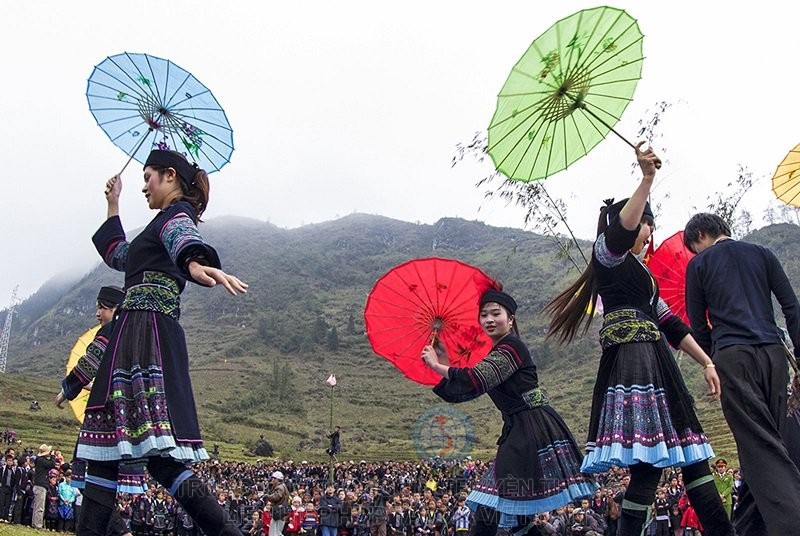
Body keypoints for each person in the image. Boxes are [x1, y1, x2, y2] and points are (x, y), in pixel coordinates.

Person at [545, 143, 734, 536]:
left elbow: (672, 326)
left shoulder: (643, 279)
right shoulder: (608, 256)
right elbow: (621, 232)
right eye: (647, 223)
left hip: (658, 365)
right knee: (650, 467)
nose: (649, 231)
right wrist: (646, 179)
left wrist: (707, 362)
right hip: (633, 364)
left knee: (684, 462)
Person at [75, 150, 248, 536]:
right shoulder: (155, 226)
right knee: (109, 451)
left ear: (170, 176)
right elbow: (121, 255)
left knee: (157, 457)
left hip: (145, 336)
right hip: (132, 334)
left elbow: (183, 239)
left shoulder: (174, 217)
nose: (143, 185)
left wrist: (195, 263)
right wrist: (113, 203)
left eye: (148, 176)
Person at [422, 288, 595, 536]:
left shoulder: (511, 347)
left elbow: (477, 378)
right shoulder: (499, 352)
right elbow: (466, 390)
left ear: (511, 318)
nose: (489, 320)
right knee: (516, 513)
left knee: (489, 507)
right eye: (484, 315)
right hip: (520, 431)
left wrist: (438, 366)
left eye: (496, 313)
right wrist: (444, 362)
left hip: (530, 430)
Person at [684, 211, 800, 535]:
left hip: (734, 359)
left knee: (761, 446)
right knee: (766, 442)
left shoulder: (699, 265)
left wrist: (711, 361)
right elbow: (791, 306)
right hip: (774, 355)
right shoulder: (763, 254)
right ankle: (748, 528)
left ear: (701, 235)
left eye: (695, 247)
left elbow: (697, 324)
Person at [32, 444, 56, 529]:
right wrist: (53, 456)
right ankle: (38, 524)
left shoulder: (39, 460)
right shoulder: (42, 460)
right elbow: (52, 464)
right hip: (41, 485)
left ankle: (35, 523)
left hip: (38, 485)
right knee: (40, 507)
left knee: (36, 506)